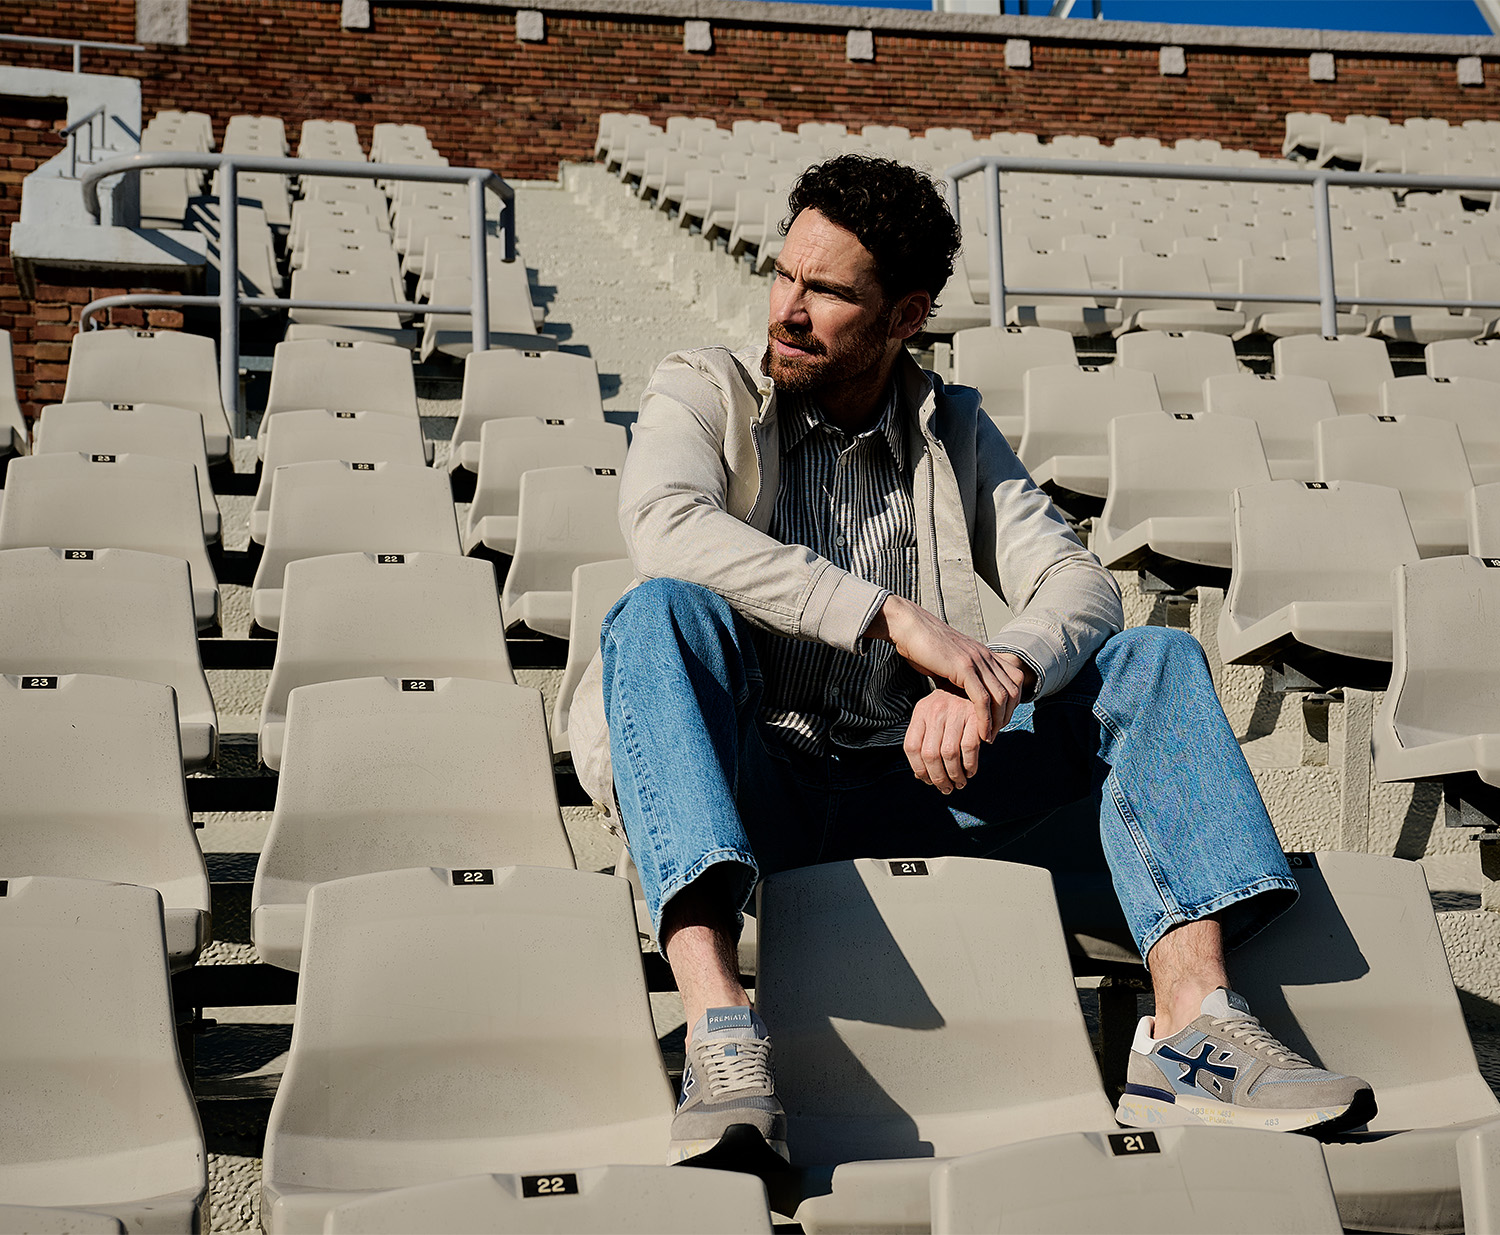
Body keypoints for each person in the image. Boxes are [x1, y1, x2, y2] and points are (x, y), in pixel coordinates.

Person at [567, 153, 1375, 1168]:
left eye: (826, 291)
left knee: (1157, 657)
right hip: (753, 783)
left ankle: (1192, 1031)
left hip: (916, 782)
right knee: (659, 612)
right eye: (783, 274)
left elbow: (1079, 583)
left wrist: (999, 675)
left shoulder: (950, 426)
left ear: (905, 316)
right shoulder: (706, 387)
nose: (787, 309)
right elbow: (665, 524)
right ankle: (721, 1035)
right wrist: (889, 618)